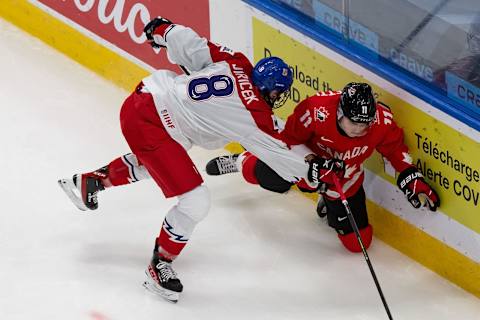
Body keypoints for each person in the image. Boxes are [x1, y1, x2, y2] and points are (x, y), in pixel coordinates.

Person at [57, 17, 312, 303]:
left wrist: (164, 31)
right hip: (153, 125)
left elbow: (193, 46)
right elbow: (280, 150)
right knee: (195, 200)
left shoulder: (237, 62)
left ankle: (90, 182)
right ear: (274, 91)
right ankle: (160, 265)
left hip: (146, 99)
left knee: (165, 164)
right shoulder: (255, 116)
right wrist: (315, 171)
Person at [206, 82, 440, 253]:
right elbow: (287, 140)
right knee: (268, 176)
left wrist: (409, 175)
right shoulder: (315, 111)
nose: (361, 129)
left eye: (365, 123)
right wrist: (312, 162)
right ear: (340, 113)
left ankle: (327, 201)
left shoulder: (381, 121)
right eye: (355, 122)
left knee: (358, 244)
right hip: (304, 166)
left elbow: (394, 148)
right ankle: (242, 160)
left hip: (343, 181)